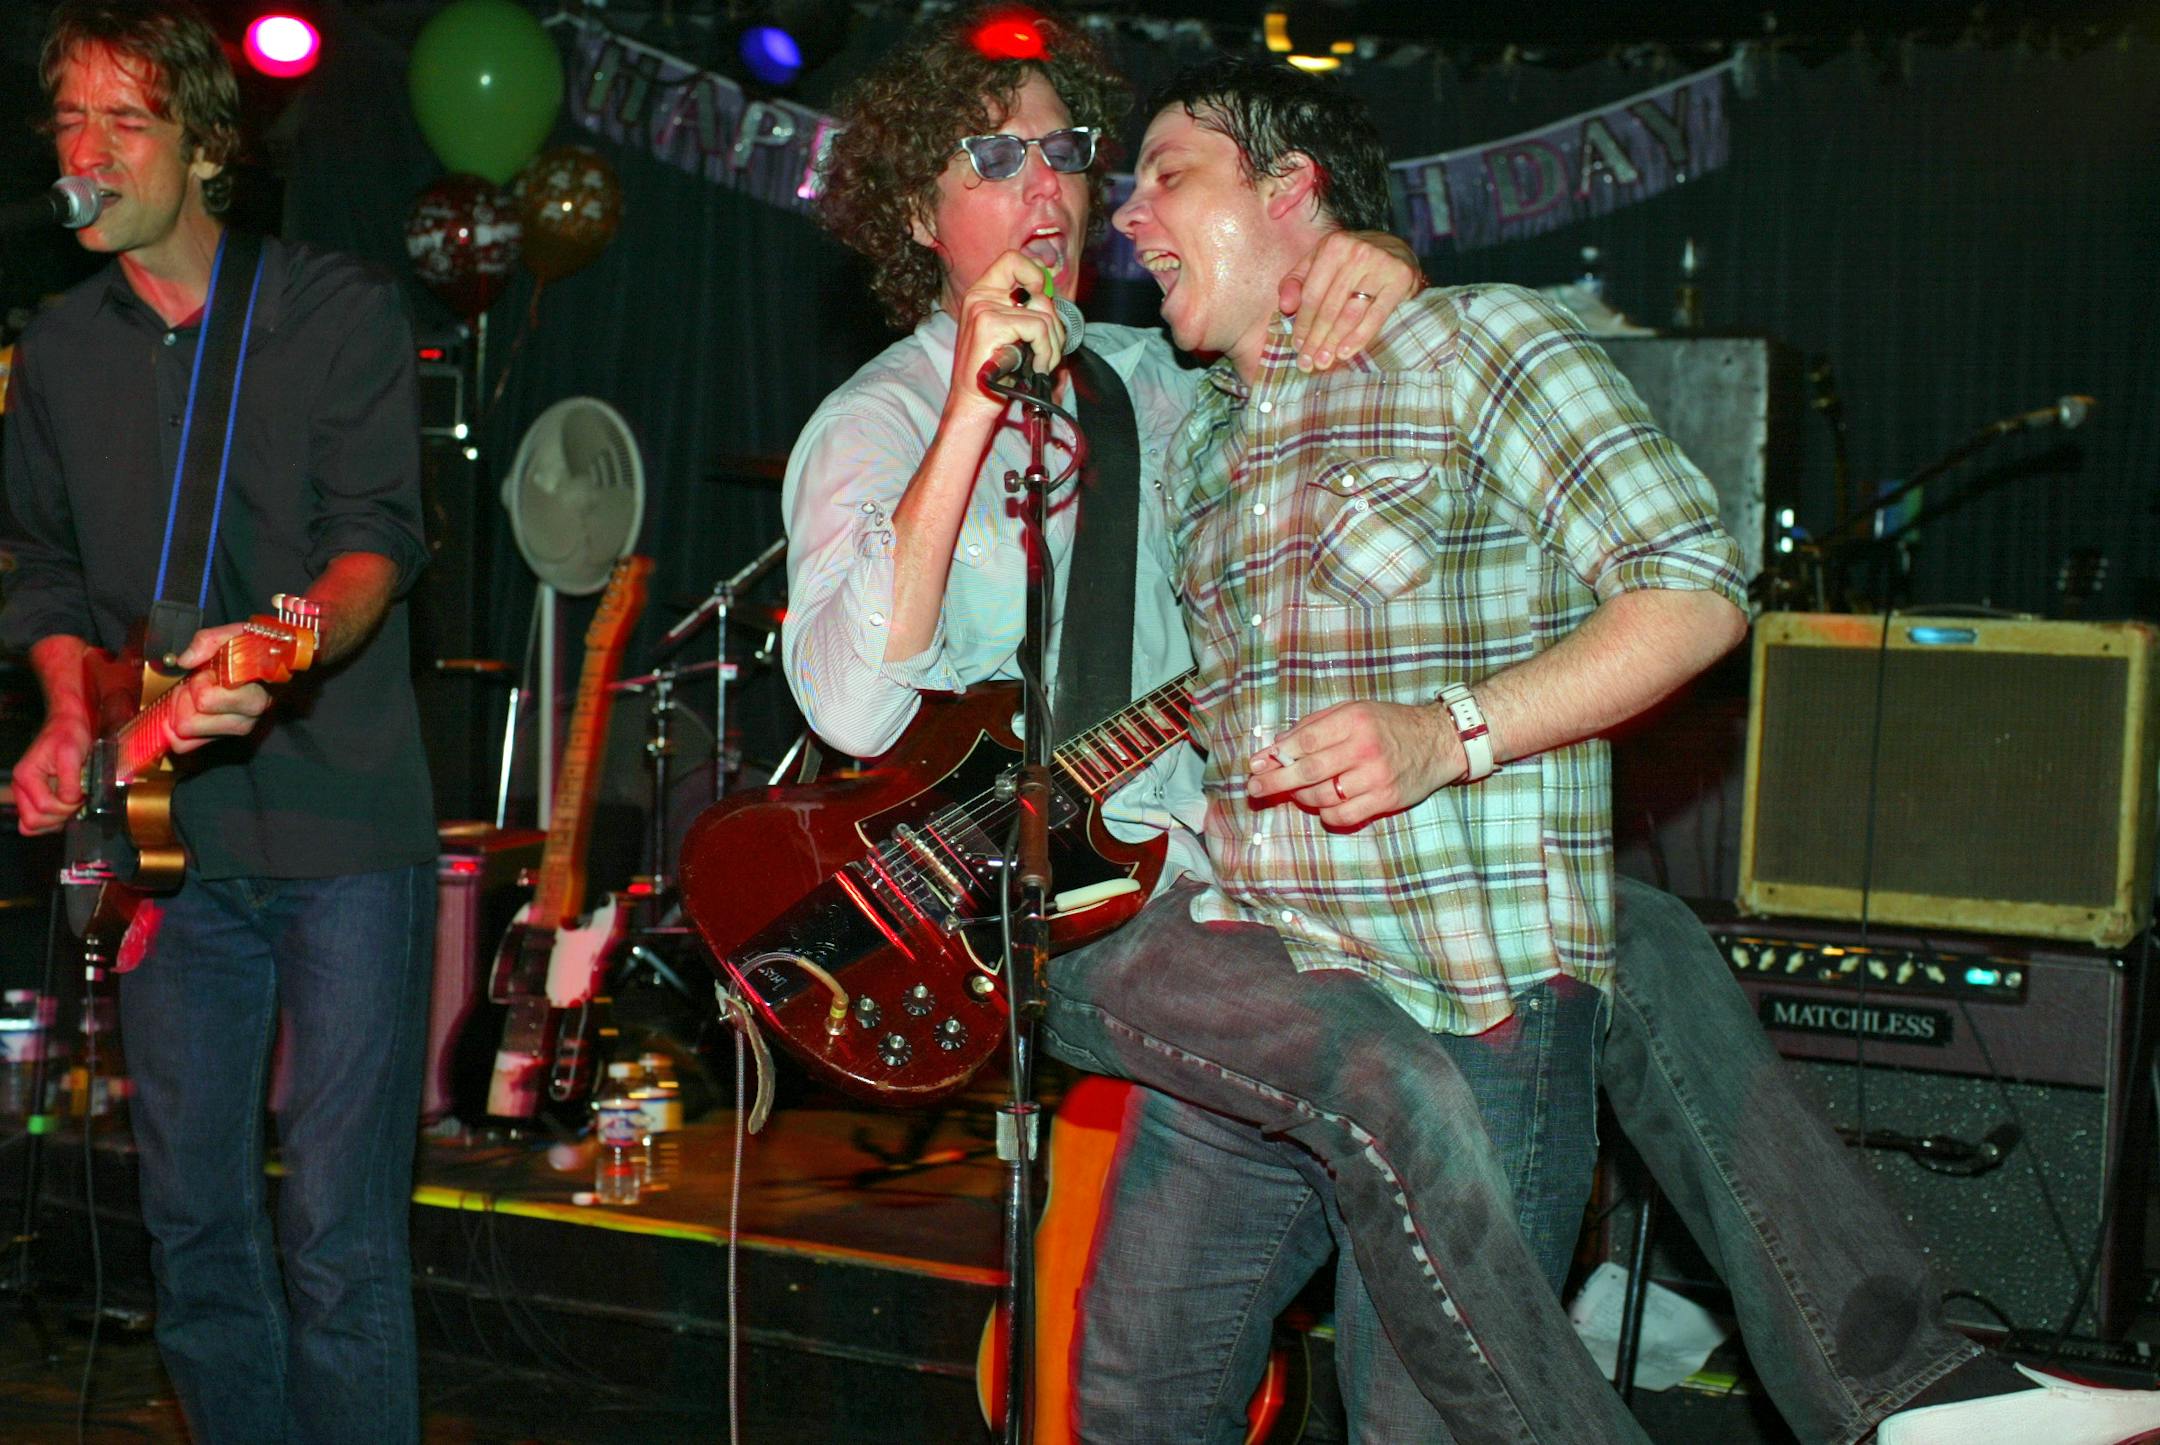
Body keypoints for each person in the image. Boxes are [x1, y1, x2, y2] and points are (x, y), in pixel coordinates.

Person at [1044, 55, 2160, 1445]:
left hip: (1473, 1015)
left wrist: (1450, 732)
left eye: (1167, 175)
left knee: (1421, 1424)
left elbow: (1696, 588)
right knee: (1131, 1405)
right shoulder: (1204, 437)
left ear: (1290, 188)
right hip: (1273, 997)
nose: (1129, 217)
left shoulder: (1481, 347)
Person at [1, 4, 438, 1441]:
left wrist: (287, 636)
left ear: (204, 147)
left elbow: (376, 548)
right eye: (69, 118)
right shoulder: (58, 345)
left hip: (340, 826)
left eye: (125, 121)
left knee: (335, 1231)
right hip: (158, 833)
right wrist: (69, 712)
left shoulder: (331, 309)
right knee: (191, 1225)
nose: (85, 149)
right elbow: (48, 570)